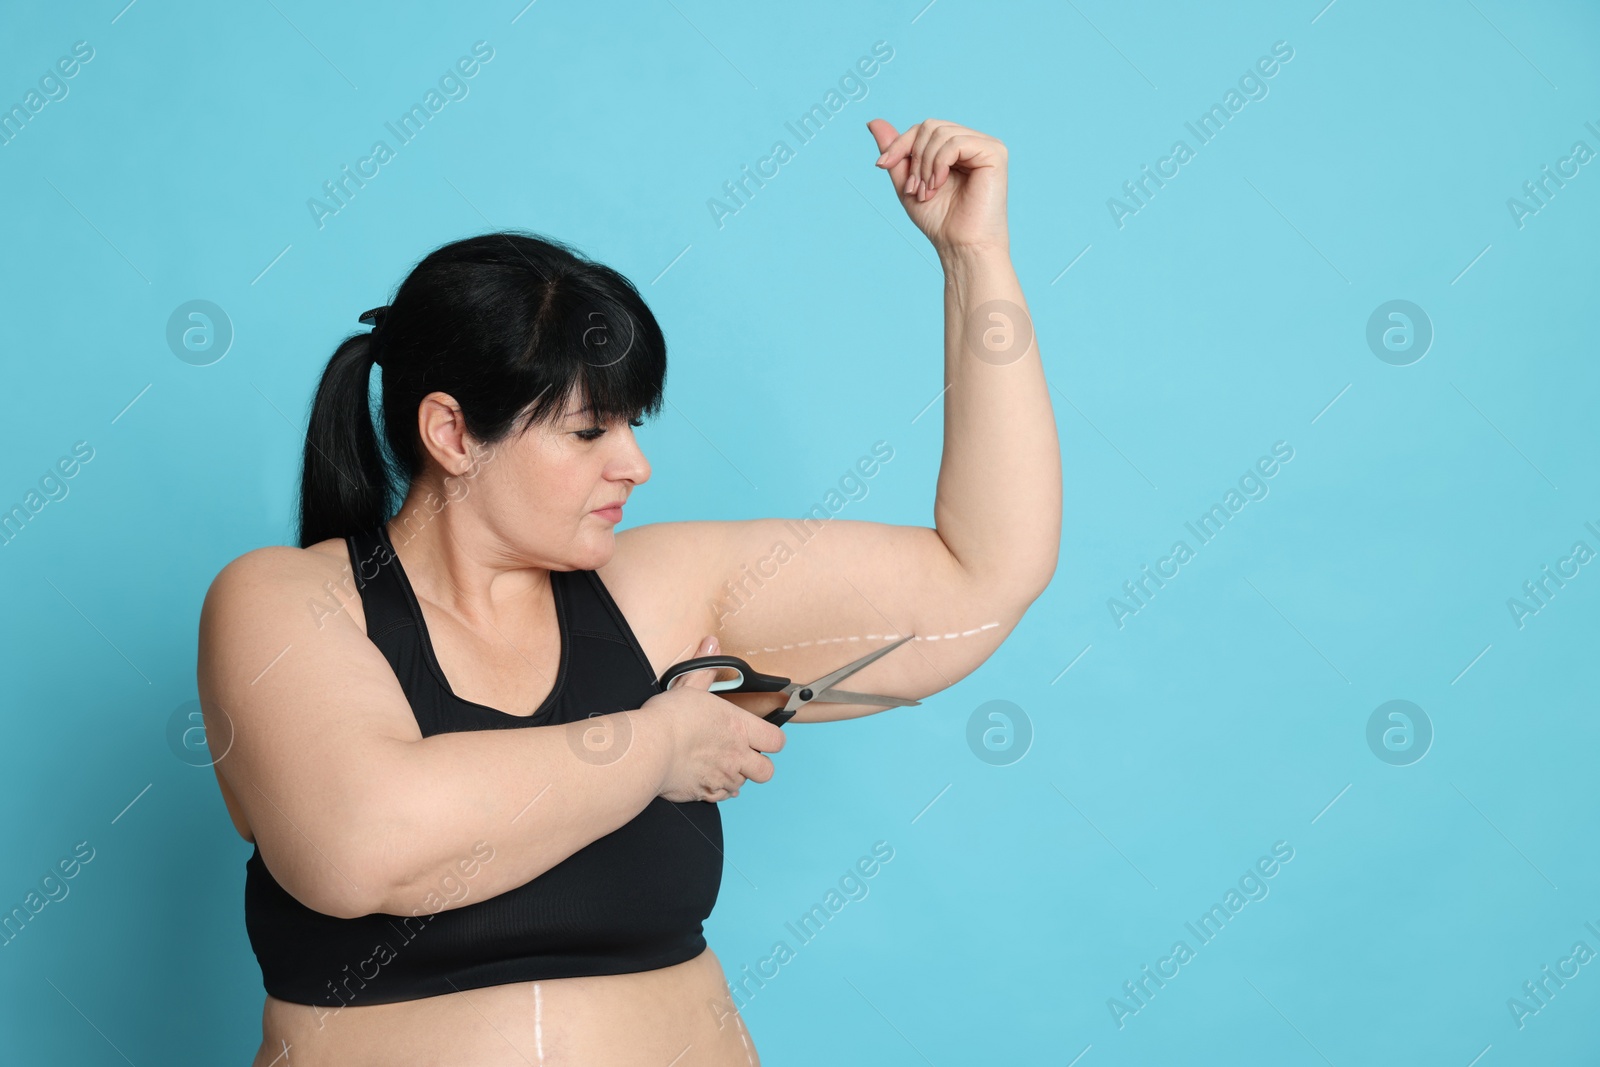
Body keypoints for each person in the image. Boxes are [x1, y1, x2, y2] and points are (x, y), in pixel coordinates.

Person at [196, 116, 1060, 1067]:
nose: (636, 464)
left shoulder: (661, 591)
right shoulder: (282, 601)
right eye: (588, 433)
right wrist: (655, 744)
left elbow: (982, 581)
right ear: (451, 434)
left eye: (634, 426)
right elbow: (364, 842)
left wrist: (974, 257)